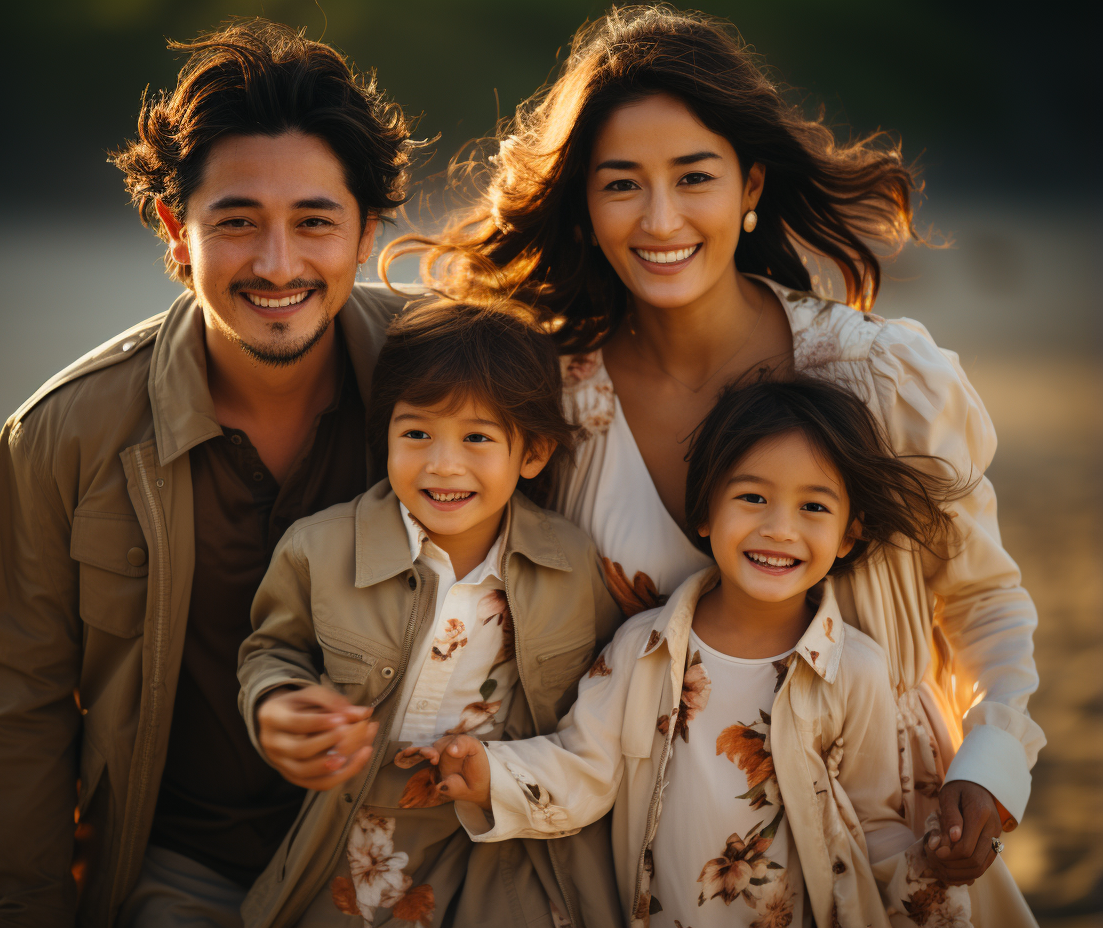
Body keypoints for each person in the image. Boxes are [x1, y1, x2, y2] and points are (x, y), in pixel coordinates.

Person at [384, 4, 1042, 893]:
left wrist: (989, 763)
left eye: (694, 177)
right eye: (621, 184)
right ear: (583, 201)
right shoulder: (555, 411)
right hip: (657, 866)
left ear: (752, 184)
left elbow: (985, 598)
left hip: (889, 845)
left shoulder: (883, 379)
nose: (660, 220)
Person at [0, 19, 418, 927]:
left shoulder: (447, 380)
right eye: (236, 222)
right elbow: (16, 706)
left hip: (405, 859)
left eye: (315, 222)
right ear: (176, 230)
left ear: (366, 232)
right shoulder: (62, 435)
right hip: (178, 869)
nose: (277, 264)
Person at [413, 378, 1036, 927]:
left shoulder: (856, 671)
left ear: (849, 534)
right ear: (706, 512)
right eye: (752, 497)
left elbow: (871, 824)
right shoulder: (642, 649)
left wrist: (932, 866)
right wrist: (490, 774)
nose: (780, 528)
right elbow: (586, 765)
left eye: (813, 507)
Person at [236, 300, 624, 928]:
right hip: (350, 837)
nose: (443, 463)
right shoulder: (320, 549)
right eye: (417, 433)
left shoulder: (572, 566)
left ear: (532, 453)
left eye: (477, 437)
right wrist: (276, 700)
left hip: (498, 840)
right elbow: (270, 650)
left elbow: (603, 699)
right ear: (384, 433)